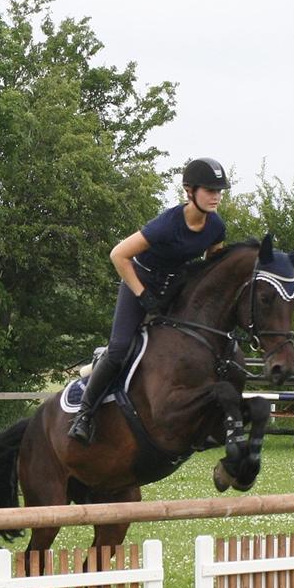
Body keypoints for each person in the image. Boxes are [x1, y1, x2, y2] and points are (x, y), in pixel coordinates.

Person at [67, 157, 232, 445]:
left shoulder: (216, 227)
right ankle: (84, 415)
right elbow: (118, 254)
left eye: (219, 191)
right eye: (209, 190)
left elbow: (212, 267)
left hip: (174, 288)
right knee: (119, 349)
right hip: (139, 283)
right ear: (189, 191)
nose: (216, 196)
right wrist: (143, 296)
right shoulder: (167, 225)